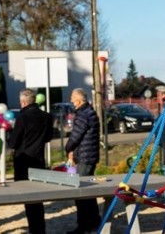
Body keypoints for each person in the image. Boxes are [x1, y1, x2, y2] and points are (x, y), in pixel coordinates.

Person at [7, 89, 54, 234]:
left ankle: (34, 229)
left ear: (23, 102)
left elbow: (13, 143)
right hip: (38, 159)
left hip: (24, 161)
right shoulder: (47, 116)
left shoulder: (22, 117)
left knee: (28, 199)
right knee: (38, 198)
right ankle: (39, 229)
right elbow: (48, 138)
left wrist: (10, 134)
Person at [64, 88, 101, 234]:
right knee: (88, 192)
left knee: (80, 193)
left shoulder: (82, 115)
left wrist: (68, 148)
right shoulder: (90, 112)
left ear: (79, 100)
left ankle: (84, 225)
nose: (71, 100)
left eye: (72, 98)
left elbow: (75, 136)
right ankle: (94, 222)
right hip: (89, 156)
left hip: (85, 157)